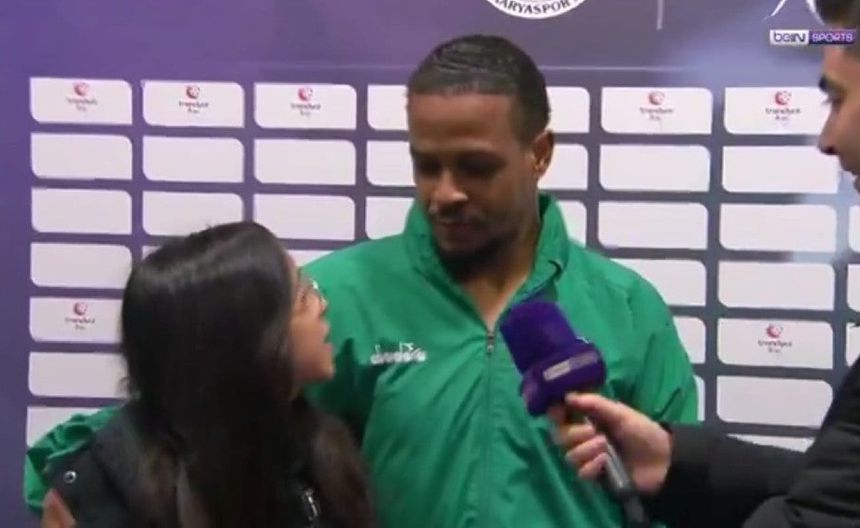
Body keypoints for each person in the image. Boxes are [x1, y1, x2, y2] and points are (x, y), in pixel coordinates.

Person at [24, 35, 699, 527]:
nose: (445, 193)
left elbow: (682, 490)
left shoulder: (628, 309)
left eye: (475, 167)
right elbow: (192, 413)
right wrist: (79, 492)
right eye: (426, 165)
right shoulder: (333, 298)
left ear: (539, 154)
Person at [552, 2, 860, 526]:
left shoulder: (625, 302)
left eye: (838, 99)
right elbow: (841, 494)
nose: (827, 141)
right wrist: (678, 465)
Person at [34, 222, 374, 527]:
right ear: (246, 341)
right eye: (302, 297)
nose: (322, 304)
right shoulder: (104, 498)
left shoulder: (322, 451)